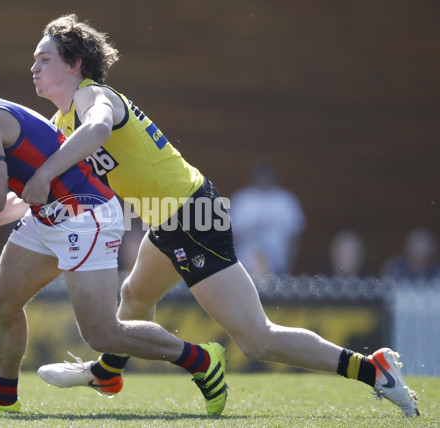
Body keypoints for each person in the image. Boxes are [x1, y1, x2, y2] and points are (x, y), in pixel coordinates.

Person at [23, 14, 419, 417]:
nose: (33, 67)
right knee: (135, 295)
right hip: (170, 214)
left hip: (191, 214)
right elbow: (44, 188)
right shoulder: (63, 121)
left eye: (44, 59)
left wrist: (46, 171)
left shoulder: (93, 97)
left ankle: (373, 370)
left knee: (256, 339)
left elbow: (100, 129)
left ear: (74, 65)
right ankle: (108, 373)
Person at [0, 42, 227, 415]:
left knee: (102, 334)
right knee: (0, 299)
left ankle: (201, 360)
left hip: (86, 215)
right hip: (50, 216)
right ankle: (3, 396)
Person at [229, 161, 305, 277]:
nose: (263, 179)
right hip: (244, 268)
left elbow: (294, 238)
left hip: (278, 268)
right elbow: (230, 237)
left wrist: (290, 269)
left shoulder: (285, 200)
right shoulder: (242, 199)